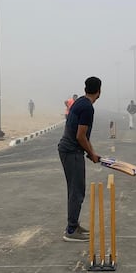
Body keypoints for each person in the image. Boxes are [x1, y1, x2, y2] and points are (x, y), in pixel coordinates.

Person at [58, 77, 101, 242]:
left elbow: (82, 136)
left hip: (69, 150)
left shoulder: (80, 102)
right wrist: (90, 153)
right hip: (71, 151)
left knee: (74, 190)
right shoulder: (87, 108)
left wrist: (92, 153)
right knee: (77, 191)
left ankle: (74, 225)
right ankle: (70, 230)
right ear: (99, 91)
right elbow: (80, 136)